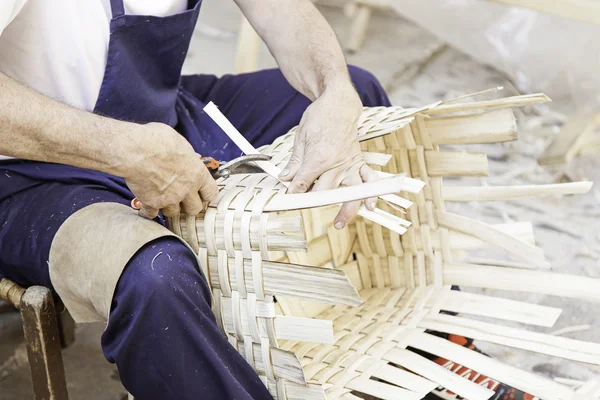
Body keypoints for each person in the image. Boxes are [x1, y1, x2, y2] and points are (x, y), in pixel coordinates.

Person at [0, 1, 536, 399]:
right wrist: (122, 149)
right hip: (29, 176)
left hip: (160, 124)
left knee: (363, 105)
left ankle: (437, 354)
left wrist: (335, 92)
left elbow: (285, 16)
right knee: (154, 275)